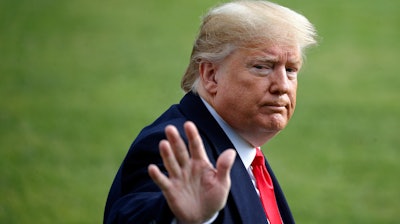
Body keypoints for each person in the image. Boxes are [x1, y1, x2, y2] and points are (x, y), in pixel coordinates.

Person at [104, 0, 317, 223]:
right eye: (262, 67)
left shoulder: (245, 149)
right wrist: (180, 218)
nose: (282, 85)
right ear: (211, 76)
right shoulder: (174, 145)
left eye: (291, 70)